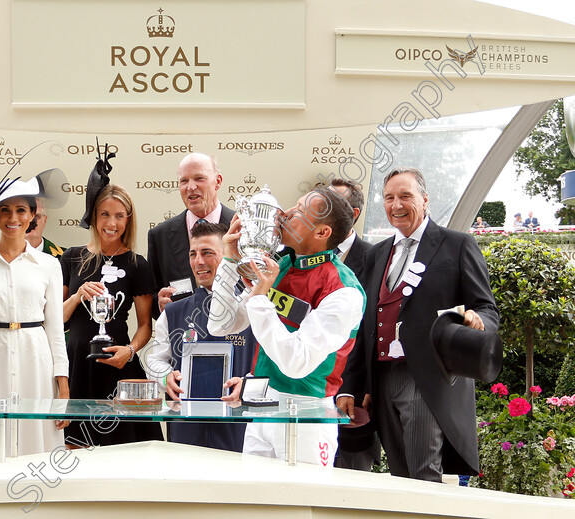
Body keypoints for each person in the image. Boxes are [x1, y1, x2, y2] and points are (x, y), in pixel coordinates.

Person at [338, 167, 499, 482]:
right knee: (399, 475)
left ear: (425, 200)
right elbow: (363, 325)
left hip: (427, 377)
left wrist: (478, 322)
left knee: (424, 475)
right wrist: (352, 387)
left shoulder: (457, 245)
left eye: (405, 196)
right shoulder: (377, 254)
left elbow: (486, 307)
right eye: (389, 198)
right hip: (382, 379)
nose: (396, 205)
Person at [209, 186, 365, 466]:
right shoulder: (278, 266)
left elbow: (297, 362)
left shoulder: (344, 290)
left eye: (299, 212)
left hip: (306, 413)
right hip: (262, 406)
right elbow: (220, 324)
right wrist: (230, 261)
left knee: (300, 506)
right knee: (254, 506)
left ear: (321, 233)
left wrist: (259, 299)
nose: (284, 214)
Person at [0, 173, 69, 461]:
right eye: (5, 210)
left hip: (35, 357)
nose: (13, 217)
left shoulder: (49, 265)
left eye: (21, 210)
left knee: (36, 435)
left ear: (33, 215)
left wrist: (64, 387)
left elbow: (55, 329)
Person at [61, 183, 162, 446]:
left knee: (126, 449)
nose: (111, 223)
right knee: (74, 447)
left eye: (119, 216)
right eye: (105, 214)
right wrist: (77, 296)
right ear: (93, 216)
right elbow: (57, 320)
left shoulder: (138, 265)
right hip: (76, 369)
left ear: (128, 220)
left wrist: (129, 351)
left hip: (119, 369)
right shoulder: (71, 258)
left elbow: (144, 327)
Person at [142, 221, 256, 452]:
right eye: (193, 254)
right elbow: (154, 360)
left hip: (239, 427)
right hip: (186, 428)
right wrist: (166, 378)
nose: (198, 262)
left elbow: (271, 366)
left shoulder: (252, 306)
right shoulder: (174, 311)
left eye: (207, 253)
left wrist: (247, 386)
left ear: (229, 256)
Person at [327, 179, 379, 472]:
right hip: (309, 394)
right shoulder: (299, 259)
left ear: (354, 213)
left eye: (333, 204)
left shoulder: (375, 257)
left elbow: (372, 331)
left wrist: (354, 388)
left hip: (354, 400)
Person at [147, 153, 236, 316]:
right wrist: (159, 305)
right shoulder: (160, 236)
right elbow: (150, 297)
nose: (191, 187)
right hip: (184, 336)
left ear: (218, 181)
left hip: (238, 336)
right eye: (184, 181)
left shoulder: (241, 228)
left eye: (199, 178)